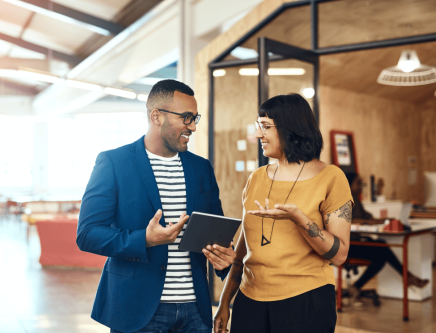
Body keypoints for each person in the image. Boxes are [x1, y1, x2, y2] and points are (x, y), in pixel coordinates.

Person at [76, 79, 236, 333]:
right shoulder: (114, 163)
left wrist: (225, 257)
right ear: (156, 116)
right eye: (186, 117)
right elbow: (87, 234)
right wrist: (145, 239)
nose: (192, 127)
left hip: (195, 311)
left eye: (195, 118)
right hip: (137, 309)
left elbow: (216, 233)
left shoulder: (201, 167)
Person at [214, 94, 353, 333]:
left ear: (291, 128)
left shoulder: (331, 177)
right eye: (259, 126)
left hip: (306, 301)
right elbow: (243, 249)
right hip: (250, 300)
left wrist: (298, 218)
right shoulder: (256, 177)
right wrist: (224, 303)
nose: (259, 135)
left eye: (266, 127)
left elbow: (339, 255)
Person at [345, 172, 429, 305]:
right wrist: (372, 222)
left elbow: (369, 218)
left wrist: (385, 220)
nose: (362, 186)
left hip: (357, 242)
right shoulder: (342, 200)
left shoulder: (356, 200)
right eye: (358, 183)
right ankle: (407, 276)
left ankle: (356, 287)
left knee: (381, 254)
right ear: (348, 185)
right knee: (382, 248)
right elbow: (351, 221)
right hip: (347, 246)